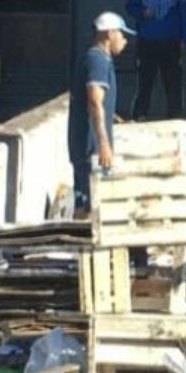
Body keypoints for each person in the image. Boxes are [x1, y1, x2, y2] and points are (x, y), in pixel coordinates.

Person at [68, 12, 133, 219]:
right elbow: (95, 101)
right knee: (88, 205)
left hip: (88, 144)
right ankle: (81, 247)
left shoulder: (99, 58)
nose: (125, 40)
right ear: (109, 33)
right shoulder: (97, 60)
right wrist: (103, 144)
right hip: (91, 148)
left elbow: (97, 102)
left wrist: (112, 117)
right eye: (121, 34)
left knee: (86, 200)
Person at [126, 0, 186, 120]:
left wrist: (184, 39)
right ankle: (140, 115)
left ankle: (175, 117)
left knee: (173, 83)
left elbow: (185, 15)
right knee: (145, 82)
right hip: (147, 42)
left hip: (170, 43)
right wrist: (142, 12)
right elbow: (130, 6)